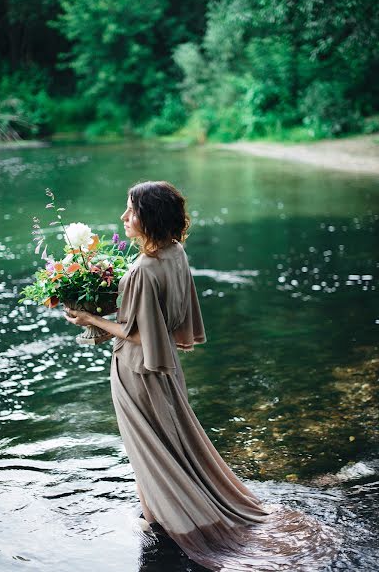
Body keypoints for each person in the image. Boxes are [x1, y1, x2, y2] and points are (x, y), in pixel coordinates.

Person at [64, 181, 339, 572]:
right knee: (168, 438)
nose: (124, 218)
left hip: (138, 370)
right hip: (167, 366)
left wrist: (90, 318)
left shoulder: (143, 268)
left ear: (151, 216)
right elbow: (158, 312)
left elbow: (141, 333)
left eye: (131, 211)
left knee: (146, 444)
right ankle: (159, 512)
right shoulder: (175, 253)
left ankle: (156, 520)